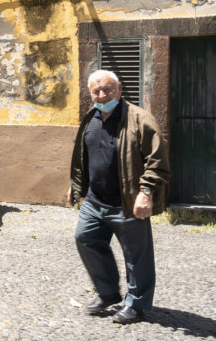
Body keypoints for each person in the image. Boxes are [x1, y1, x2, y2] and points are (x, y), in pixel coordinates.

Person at [67, 69, 170, 324]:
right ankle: (108, 292)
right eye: (96, 91)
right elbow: (84, 156)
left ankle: (136, 305)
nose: (102, 95)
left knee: (137, 256)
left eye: (107, 89)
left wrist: (146, 192)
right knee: (85, 238)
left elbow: (157, 162)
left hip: (126, 202)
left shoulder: (141, 120)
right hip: (94, 200)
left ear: (120, 89)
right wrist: (76, 186)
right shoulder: (91, 117)